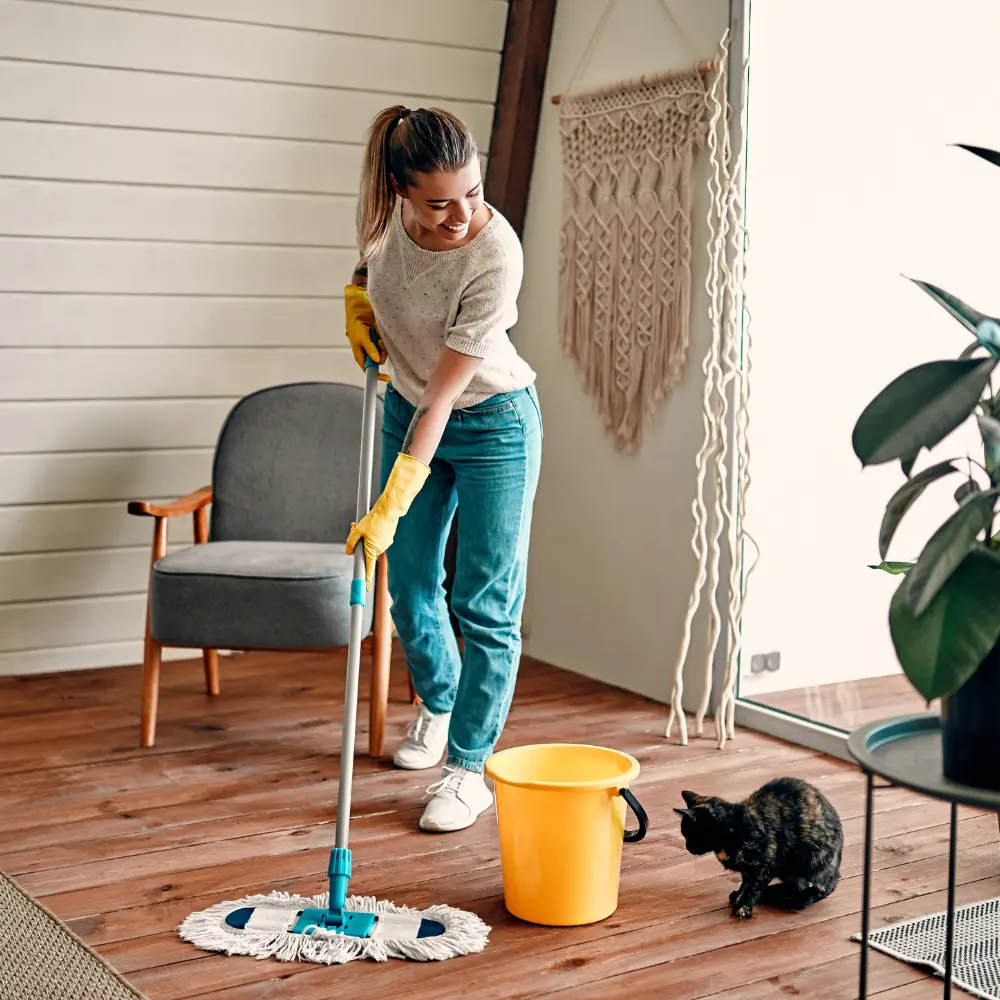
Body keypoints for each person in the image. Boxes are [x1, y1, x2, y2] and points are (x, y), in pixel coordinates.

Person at [344, 106, 542, 833]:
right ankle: (439, 699)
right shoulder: (381, 218)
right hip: (407, 407)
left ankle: (467, 768)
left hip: (492, 423)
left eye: (474, 191)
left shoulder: (496, 255)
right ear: (401, 192)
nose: (462, 213)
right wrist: (356, 301)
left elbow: (445, 397)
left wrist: (392, 498)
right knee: (413, 587)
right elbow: (372, 270)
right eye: (439, 202)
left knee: (485, 602)